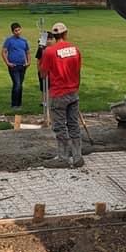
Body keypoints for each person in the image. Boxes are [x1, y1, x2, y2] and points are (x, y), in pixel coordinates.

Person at [39, 22, 83, 167]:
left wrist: (41, 55)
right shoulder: (75, 49)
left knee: (60, 126)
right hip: (73, 92)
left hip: (58, 93)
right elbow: (78, 70)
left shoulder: (49, 52)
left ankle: (63, 158)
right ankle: (77, 157)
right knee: (73, 124)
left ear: (53, 36)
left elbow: (43, 73)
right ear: (65, 33)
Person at [1, 21, 30, 110]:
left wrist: (28, 62)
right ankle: (14, 104)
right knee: (17, 84)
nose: (18, 32)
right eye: (16, 31)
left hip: (22, 66)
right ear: (13, 32)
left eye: (19, 30)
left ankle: (19, 104)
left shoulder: (24, 41)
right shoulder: (9, 41)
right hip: (13, 66)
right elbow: (3, 52)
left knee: (19, 85)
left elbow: (27, 52)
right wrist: (8, 63)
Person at [35, 31, 55, 108]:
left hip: (51, 72)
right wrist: (39, 70)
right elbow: (38, 60)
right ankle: (43, 101)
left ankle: (50, 100)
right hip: (43, 70)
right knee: (43, 87)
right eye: (47, 39)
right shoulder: (41, 49)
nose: (49, 41)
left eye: (50, 39)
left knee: (50, 86)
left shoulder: (53, 49)